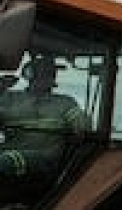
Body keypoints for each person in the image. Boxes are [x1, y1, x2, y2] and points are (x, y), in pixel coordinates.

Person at [0, 56, 87, 184]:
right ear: (30, 73)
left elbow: (82, 127)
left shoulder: (65, 103)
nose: (51, 76)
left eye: (52, 73)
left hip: (44, 158)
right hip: (8, 151)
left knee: (6, 162)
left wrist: (80, 128)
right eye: (45, 71)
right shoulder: (9, 98)